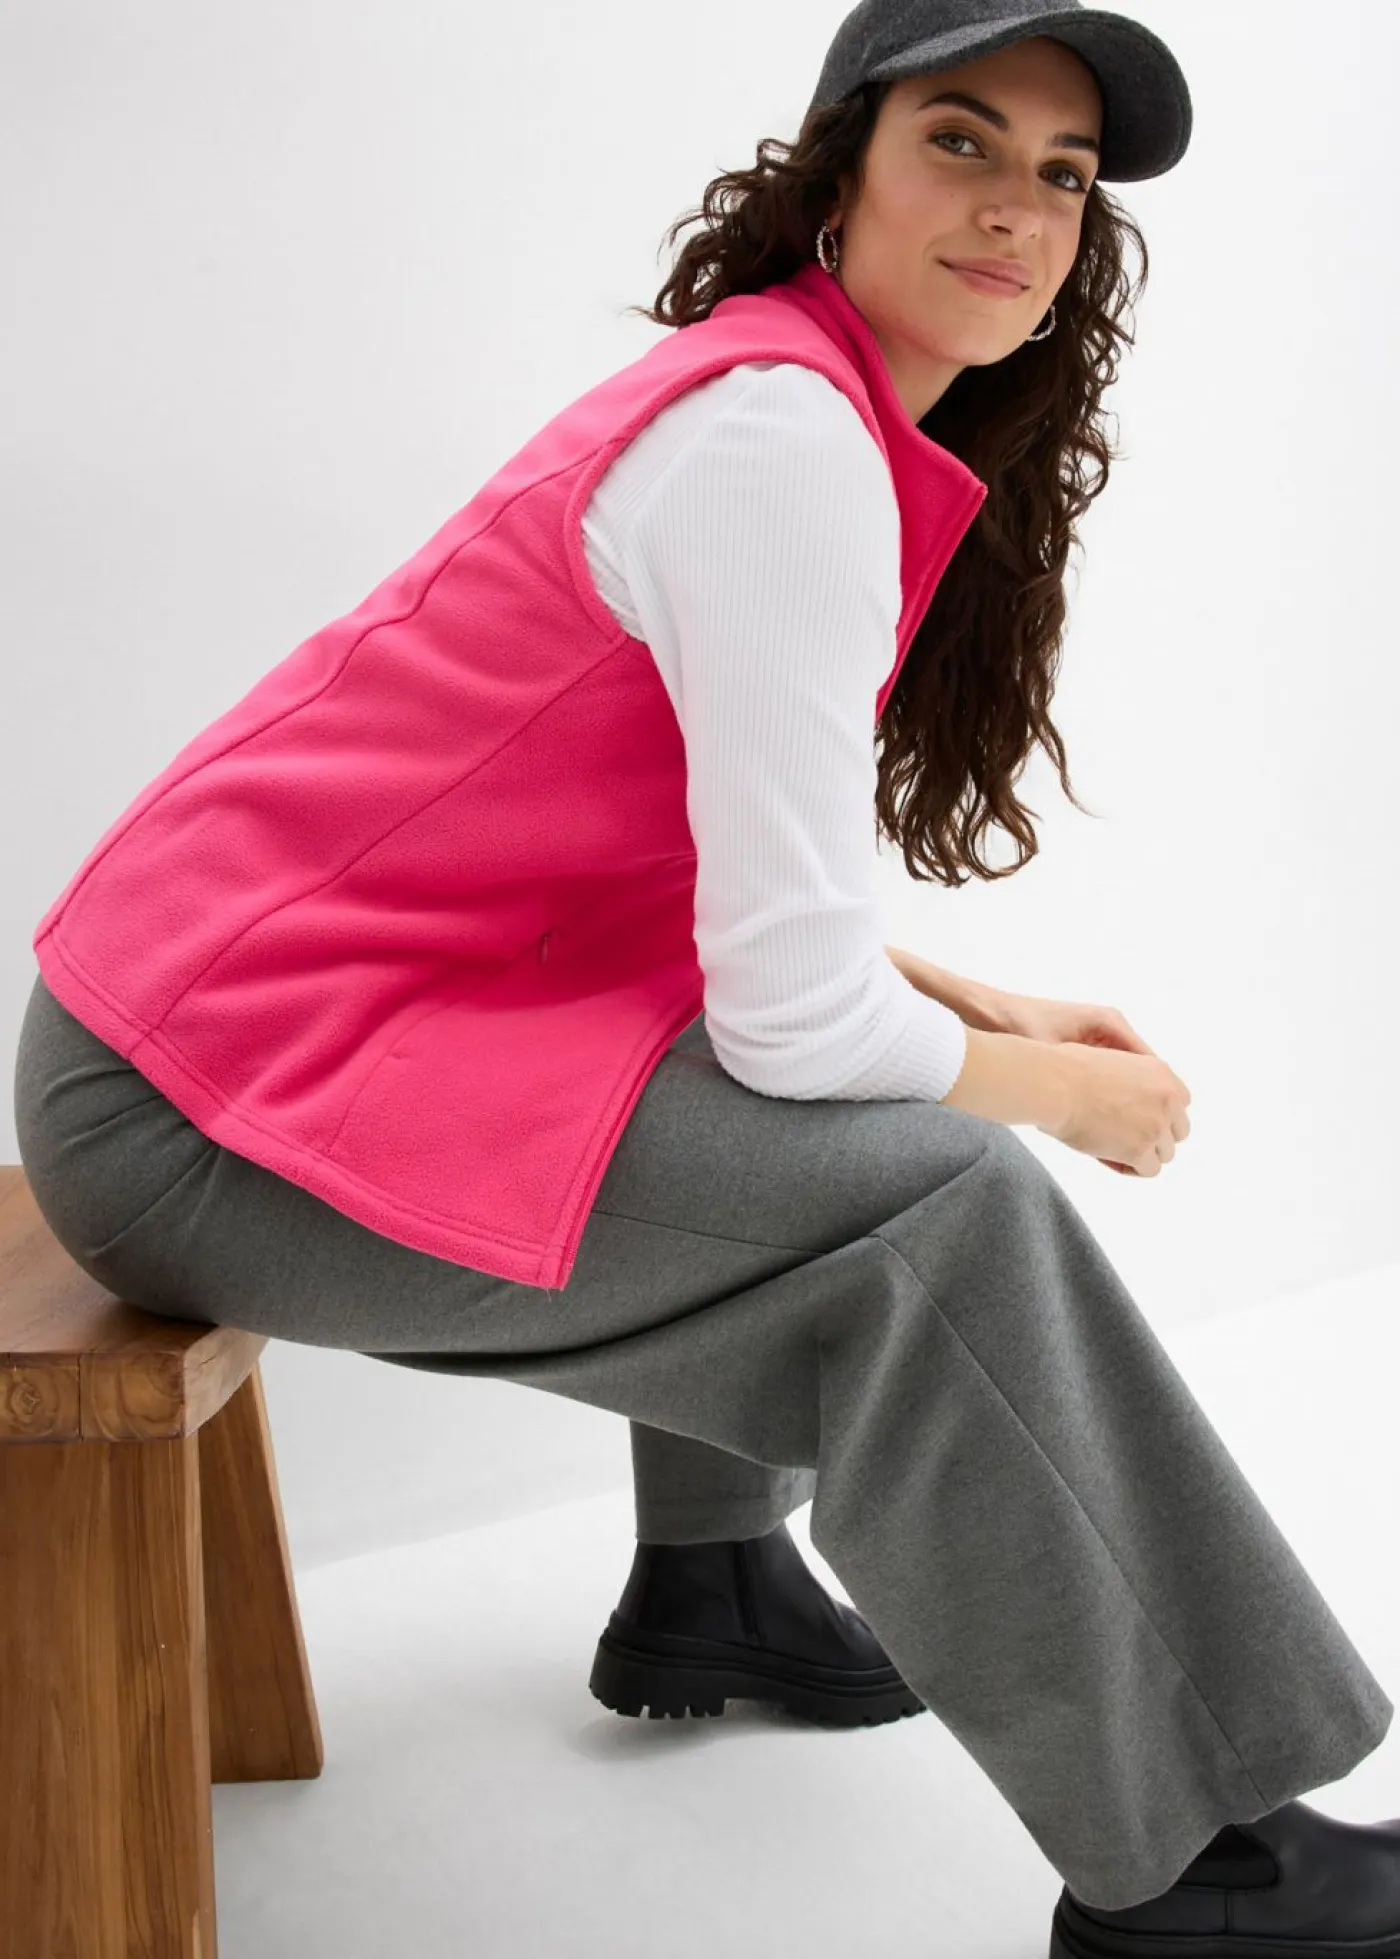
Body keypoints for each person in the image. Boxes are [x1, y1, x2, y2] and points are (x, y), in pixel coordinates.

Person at [11, 0, 1399, 1941]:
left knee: (786, 1092)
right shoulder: (777, 447)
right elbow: (798, 1019)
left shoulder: (783, 403)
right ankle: (1188, 1855)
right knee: (946, 1201)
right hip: (195, 1108)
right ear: (842, 171)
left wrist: (976, 1007)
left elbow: (698, 894)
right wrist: (1060, 1095)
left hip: (227, 1032)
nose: (1016, 209)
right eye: (961, 141)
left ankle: (716, 1586)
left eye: (1064, 176)